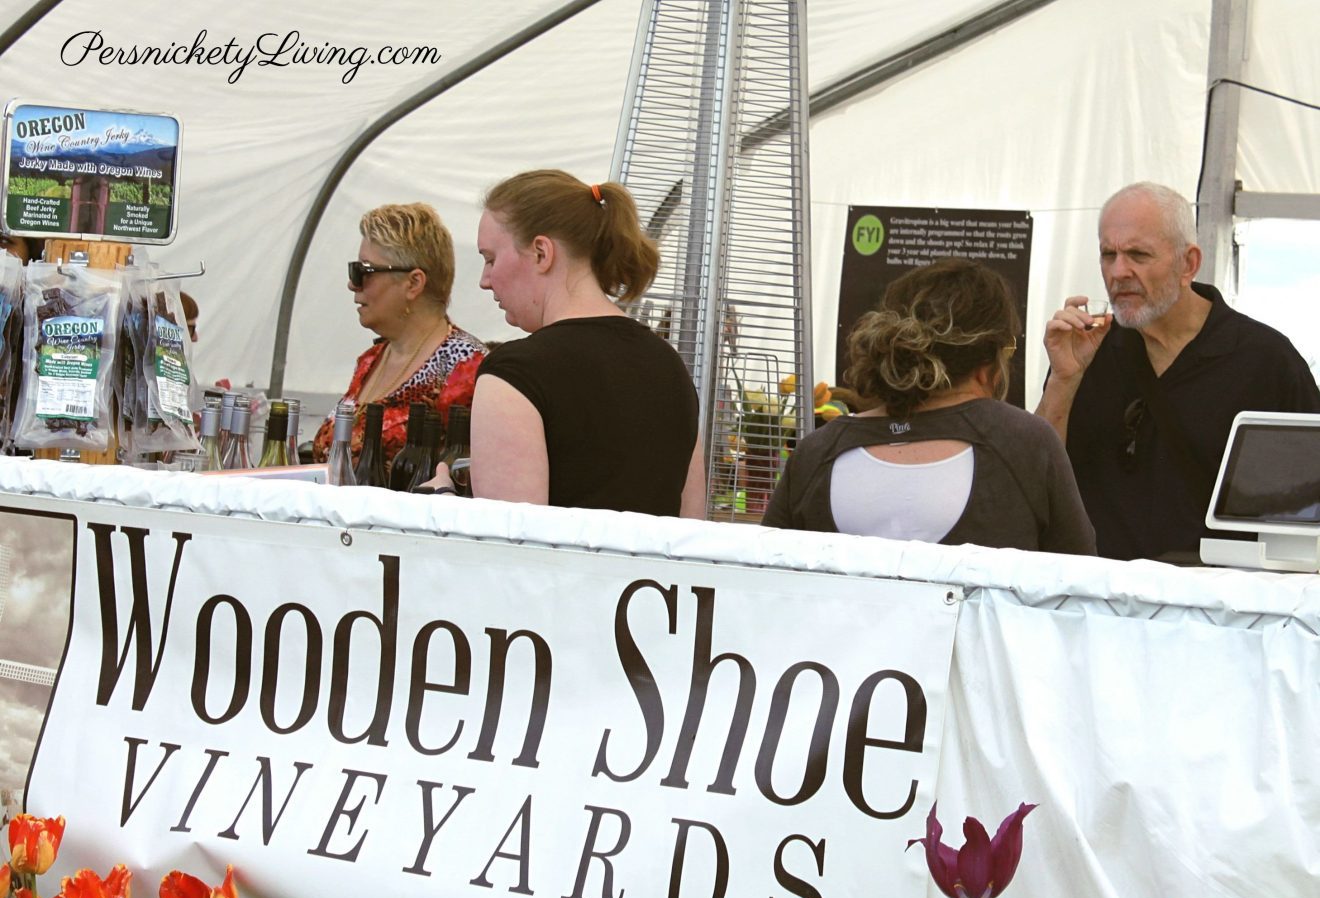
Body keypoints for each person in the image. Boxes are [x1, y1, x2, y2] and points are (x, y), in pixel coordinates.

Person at [1036, 182, 1320, 561]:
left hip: (1214, 605)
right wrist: (1063, 382)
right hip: (1096, 598)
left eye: (1138, 254)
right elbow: (1037, 482)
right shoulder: (1087, 349)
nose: (1119, 271)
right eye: (1108, 254)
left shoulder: (1264, 360)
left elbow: (1306, 505)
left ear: (1188, 263)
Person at [763, 257, 1095, 555]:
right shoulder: (1023, 444)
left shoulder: (817, 452)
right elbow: (1080, 584)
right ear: (989, 360)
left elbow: (760, 583)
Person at [430, 169, 703, 517]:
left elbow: (511, 549)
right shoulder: (669, 366)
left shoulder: (515, 373)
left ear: (542, 253)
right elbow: (692, 534)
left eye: (491, 259)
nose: (485, 280)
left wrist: (443, 500)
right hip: (649, 575)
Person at [311, 203, 486, 465]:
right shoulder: (370, 360)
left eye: (363, 272)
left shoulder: (467, 368)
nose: (352, 284)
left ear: (413, 283)